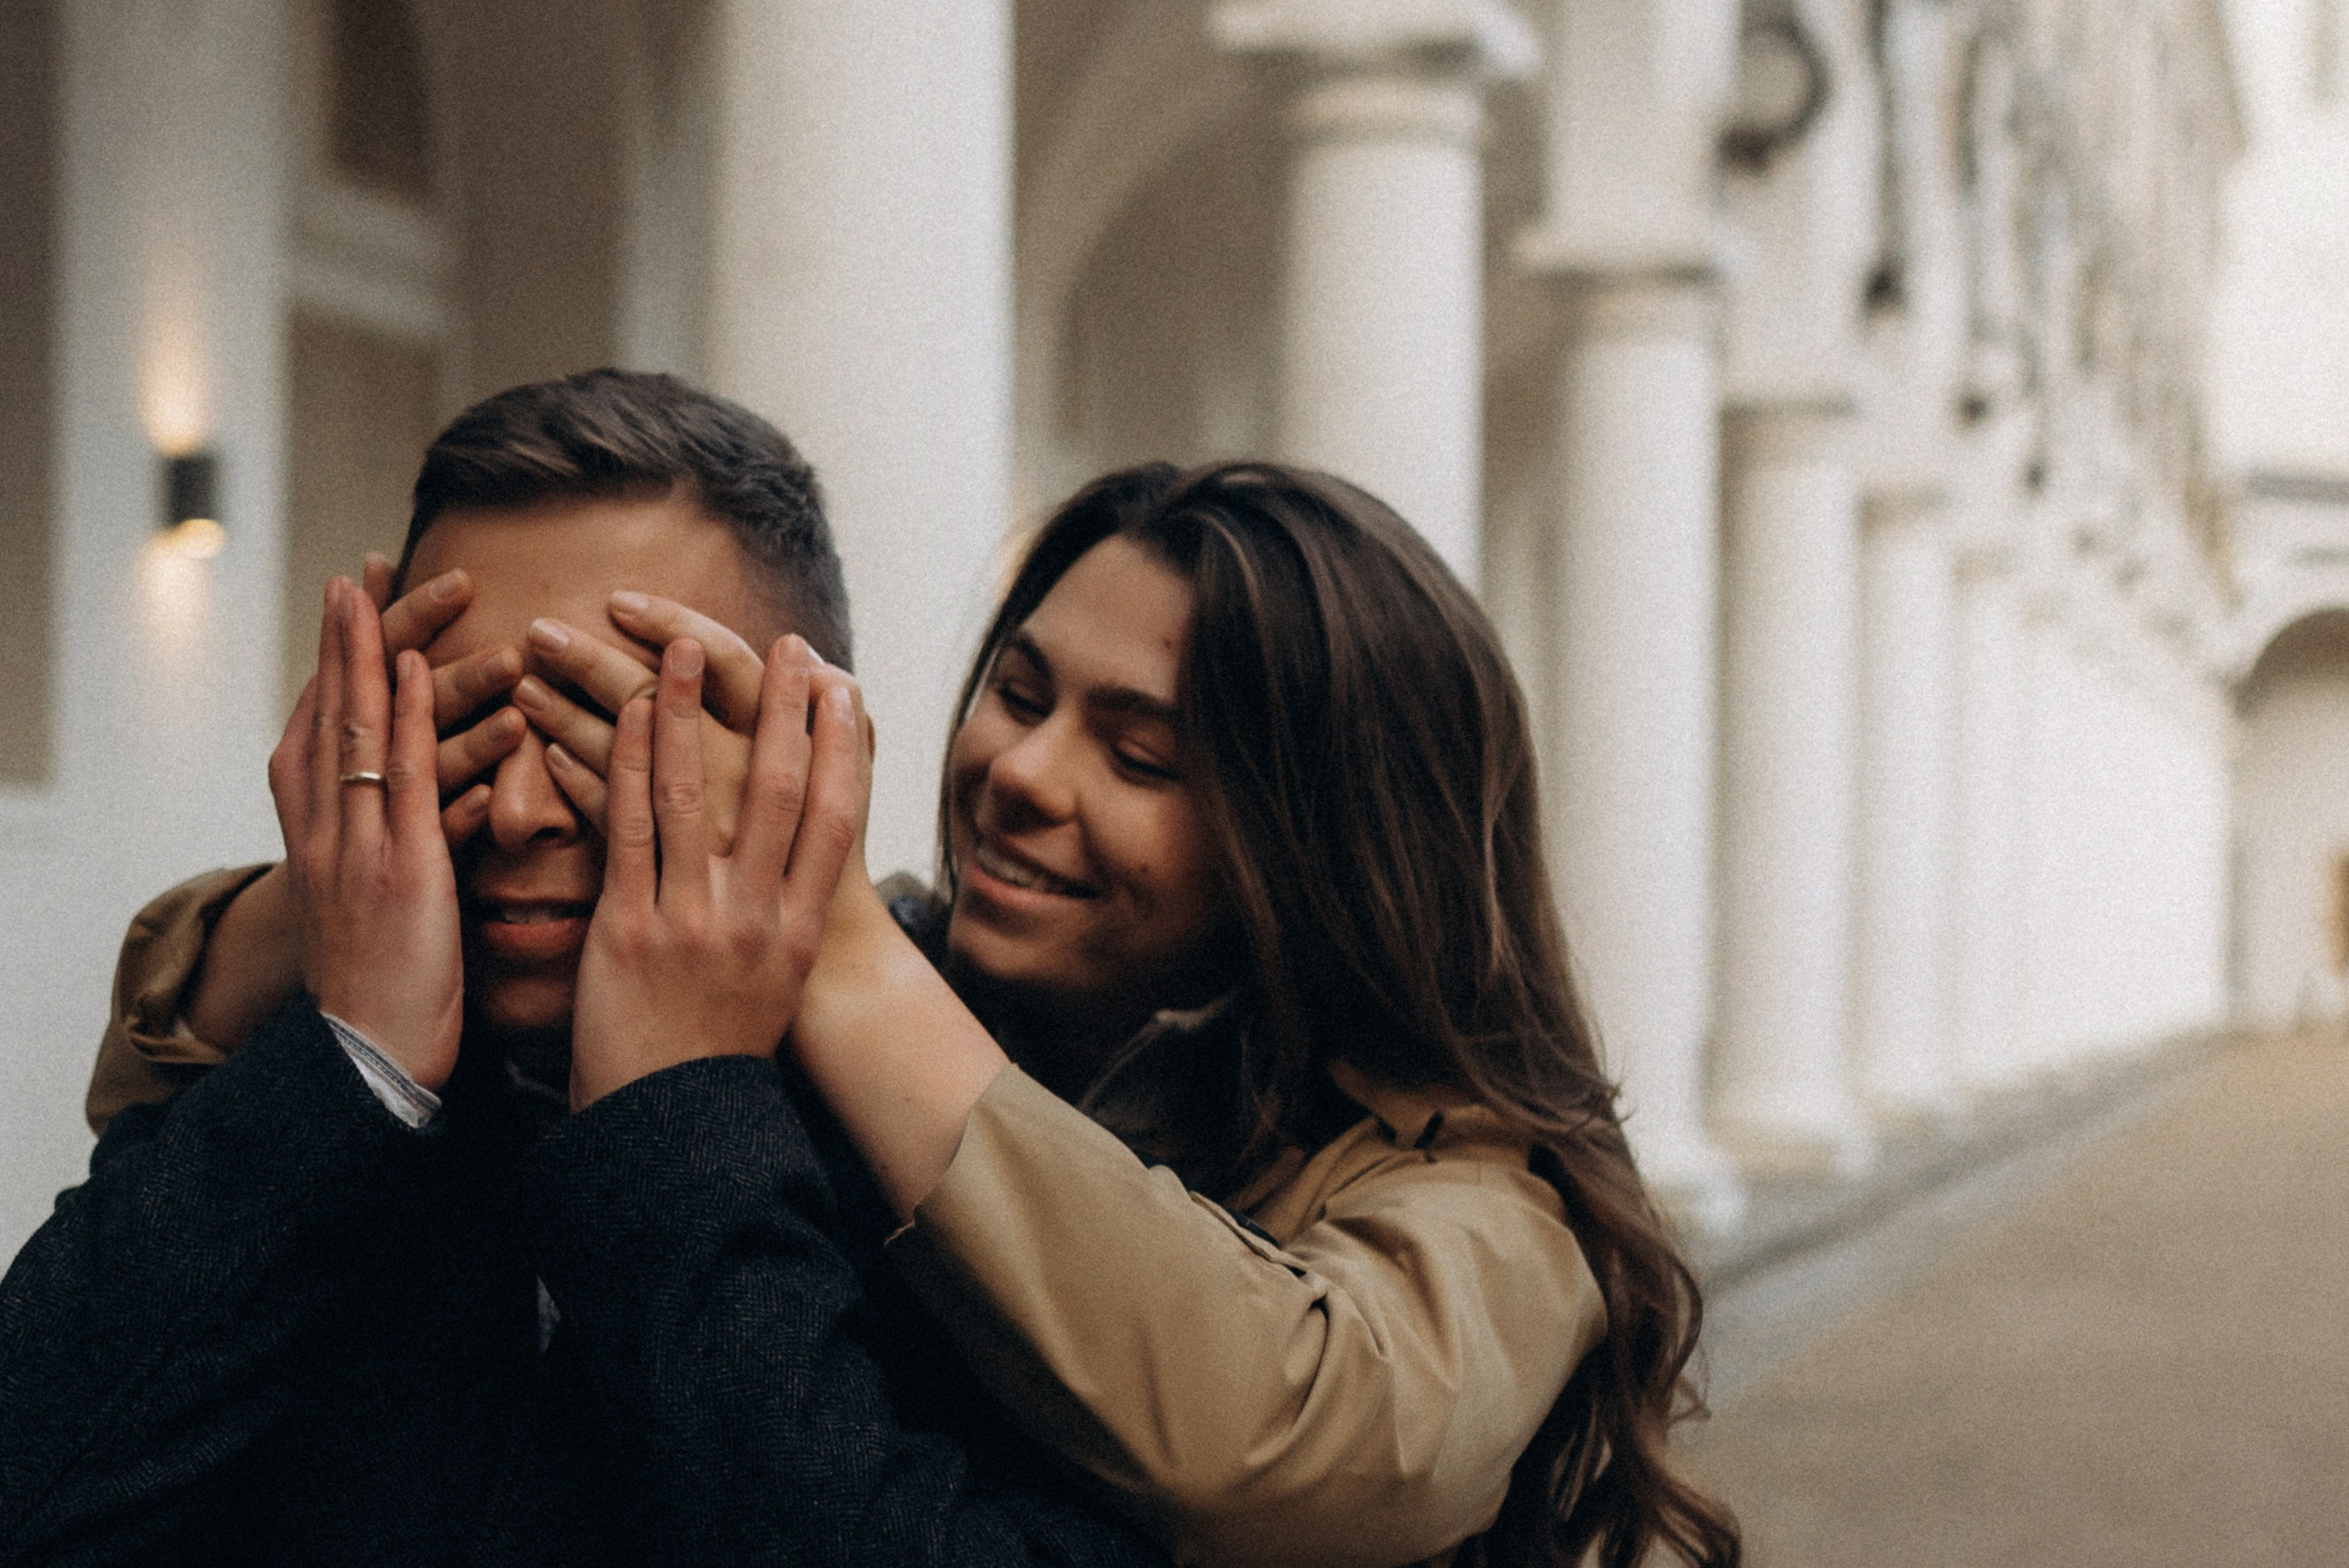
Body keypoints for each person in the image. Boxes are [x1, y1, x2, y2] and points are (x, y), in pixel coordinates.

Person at [72, 454, 1742, 1568]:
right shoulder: (872, 1000)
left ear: (1323, 849)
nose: (1019, 774)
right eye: (1018, 690)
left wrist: (828, 947)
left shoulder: (1477, 1195)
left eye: (1140, 754)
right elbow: (210, 1035)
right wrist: (351, 882)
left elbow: (1293, 1427)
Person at [0, 371, 1166, 1568]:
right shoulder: (313, 1085)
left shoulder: (998, 1151)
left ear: (803, 757)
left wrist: (681, 1118)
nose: (512, 810)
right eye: (461, 730)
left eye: (600, 729)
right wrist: (353, 1059)